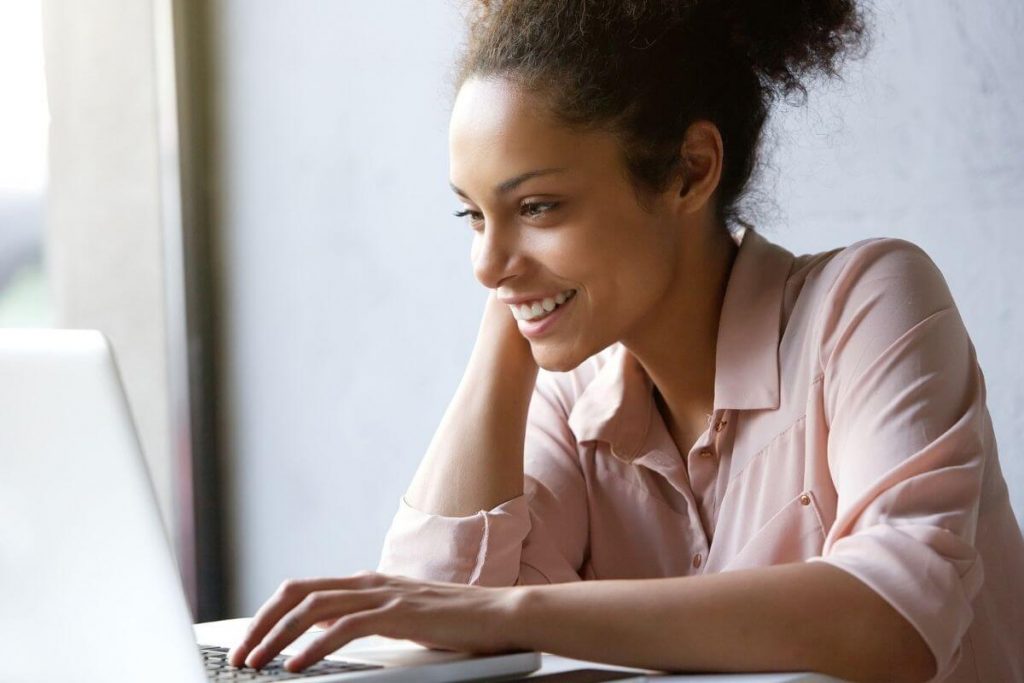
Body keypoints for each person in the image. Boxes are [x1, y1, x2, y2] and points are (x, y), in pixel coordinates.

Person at [227, 1, 1024, 681]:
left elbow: (895, 619)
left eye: (537, 206)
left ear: (689, 170)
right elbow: (430, 629)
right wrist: (516, 309)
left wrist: (520, 611)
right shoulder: (570, 399)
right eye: (471, 215)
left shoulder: (868, 302)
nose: (483, 262)